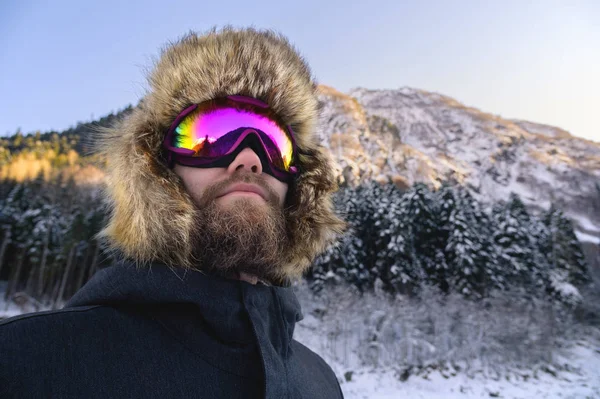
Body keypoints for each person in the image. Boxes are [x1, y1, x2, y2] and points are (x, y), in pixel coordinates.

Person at [0, 27, 346, 398]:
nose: (249, 159)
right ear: (159, 167)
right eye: (212, 136)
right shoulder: (29, 362)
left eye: (275, 145)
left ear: (299, 181)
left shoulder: (320, 382)